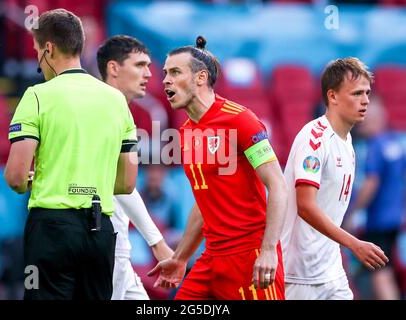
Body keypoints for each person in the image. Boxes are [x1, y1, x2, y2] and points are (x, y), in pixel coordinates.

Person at [4, 9, 138, 300]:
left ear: (49, 49)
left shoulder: (37, 95)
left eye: (39, 51)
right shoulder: (116, 100)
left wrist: (31, 179)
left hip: (51, 230)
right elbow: (127, 182)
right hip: (100, 231)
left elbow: (15, 177)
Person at [148, 36, 288, 300]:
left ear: (201, 78)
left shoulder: (241, 120)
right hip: (211, 258)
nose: (165, 79)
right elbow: (206, 200)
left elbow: (278, 185)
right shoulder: (188, 131)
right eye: (165, 73)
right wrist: (180, 258)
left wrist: (269, 249)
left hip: (250, 257)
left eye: (175, 72)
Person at [280, 57, 389, 300]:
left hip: (331, 271)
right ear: (333, 96)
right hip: (301, 275)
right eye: (357, 93)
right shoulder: (314, 139)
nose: (365, 101)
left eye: (367, 93)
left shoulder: (348, 142)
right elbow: (305, 207)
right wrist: (354, 243)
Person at [96, 35, 173, 300]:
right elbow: (121, 185)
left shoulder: (115, 111)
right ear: (114, 68)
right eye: (139, 65)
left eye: (149, 66)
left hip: (115, 246)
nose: (149, 74)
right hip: (106, 244)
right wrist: (157, 242)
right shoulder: (107, 111)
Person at [346, 96, 405, 300]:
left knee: (380, 273)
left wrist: (353, 212)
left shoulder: (376, 147)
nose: (360, 124)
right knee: (385, 270)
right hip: (394, 218)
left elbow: (372, 182)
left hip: (378, 220)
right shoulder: (394, 143)